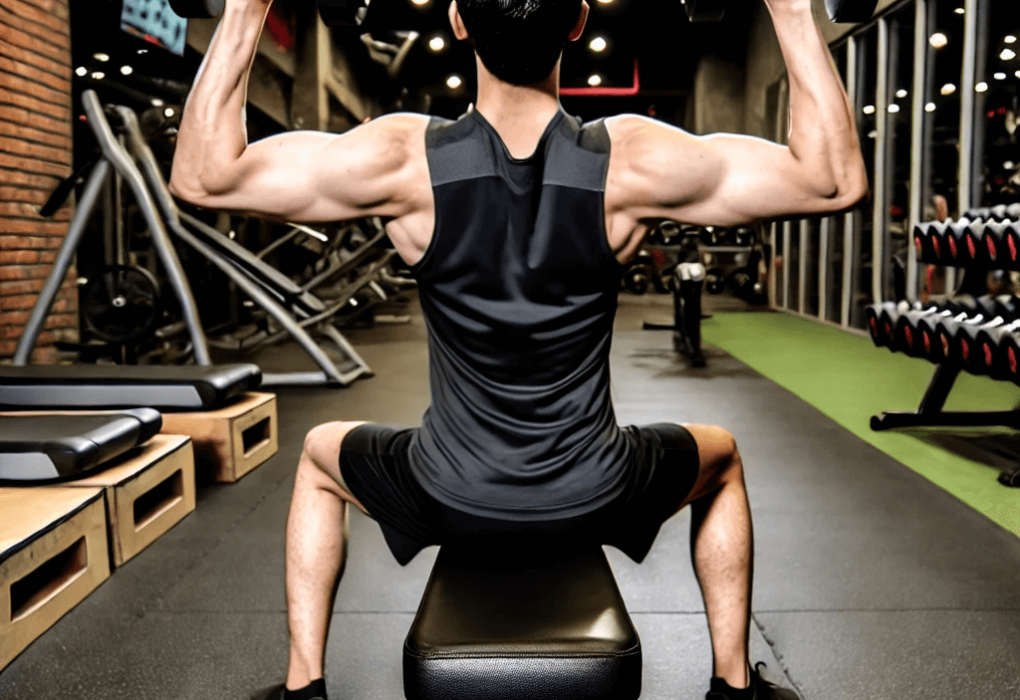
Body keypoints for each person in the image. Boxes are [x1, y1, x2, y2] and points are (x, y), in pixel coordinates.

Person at [169, 1, 868, 698]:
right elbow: (834, 181)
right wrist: (795, 11)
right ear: (576, 21)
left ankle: (302, 689)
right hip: (597, 489)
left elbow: (202, 176)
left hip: (448, 491)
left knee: (322, 453)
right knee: (720, 456)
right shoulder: (632, 159)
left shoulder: (400, 158)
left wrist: (243, 12)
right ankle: (734, 686)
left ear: (459, 21)